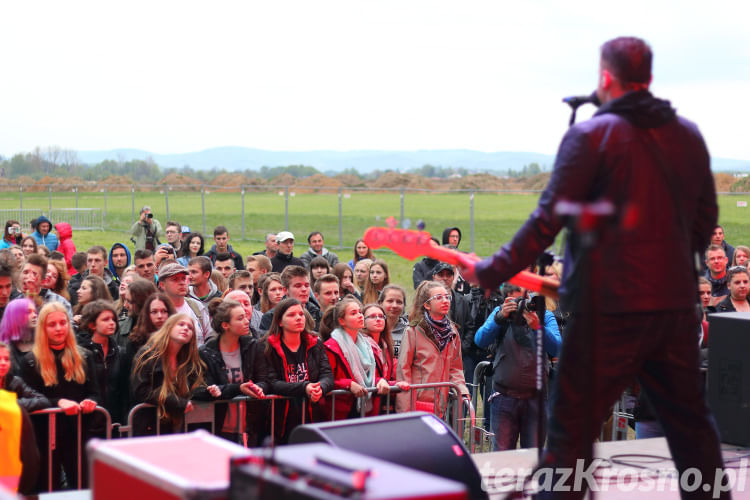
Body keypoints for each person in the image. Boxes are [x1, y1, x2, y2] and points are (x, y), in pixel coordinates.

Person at [457, 36, 726, 498]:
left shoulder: (590, 135)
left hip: (609, 311)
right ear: (650, 78)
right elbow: (703, 224)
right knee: (692, 430)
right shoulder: (688, 134)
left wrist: (490, 270)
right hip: (674, 308)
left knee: (571, 436)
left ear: (605, 77)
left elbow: (546, 221)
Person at [21, 302, 100, 491]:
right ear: (43, 328)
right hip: (45, 437)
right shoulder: (31, 361)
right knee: (48, 487)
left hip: (78, 434)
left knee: (82, 486)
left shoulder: (84, 356)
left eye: (63, 323)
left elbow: (96, 393)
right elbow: (29, 400)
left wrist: (91, 402)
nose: (58, 328)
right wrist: (58, 403)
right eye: (52, 324)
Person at [474, 285, 562, 451]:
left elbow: (557, 348)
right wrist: (499, 317)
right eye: (517, 296)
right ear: (507, 296)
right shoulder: (500, 313)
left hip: (536, 399)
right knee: (503, 456)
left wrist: (538, 327)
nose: (523, 300)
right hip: (504, 397)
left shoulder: (544, 316)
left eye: (526, 294)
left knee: (533, 455)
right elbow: (480, 340)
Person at [262, 298, 334, 442]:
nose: (298, 318)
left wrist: (320, 388)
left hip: (312, 415)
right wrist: (304, 387)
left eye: (301, 314)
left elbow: (327, 375)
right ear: (280, 322)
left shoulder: (315, 343)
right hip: (281, 420)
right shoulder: (267, 347)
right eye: (291, 315)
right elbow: (271, 382)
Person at [395, 281, 469, 415]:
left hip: (442, 402)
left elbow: (455, 367)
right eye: (439, 297)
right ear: (427, 305)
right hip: (417, 403)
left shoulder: (452, 331)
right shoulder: (413, 331)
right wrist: (405, 409)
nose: (445, 301)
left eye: (447, 297)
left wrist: (462, 391)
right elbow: (403, 370)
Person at [200, 299, 267, 444]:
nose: (246, 321)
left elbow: (264, 379)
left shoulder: (253, 346)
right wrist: (238, 388)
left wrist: (258, 388)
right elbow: (206, 388)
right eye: (240, 318)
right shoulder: (207, 352)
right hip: (219, 424)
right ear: (225, 325)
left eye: (245, 316)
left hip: (250, 422)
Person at [130, 313, 208, 435]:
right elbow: (141, 390)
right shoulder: (148, 355)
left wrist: (210, 391)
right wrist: (177, 403)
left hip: (178, 425)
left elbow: (195, 388)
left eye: (190, 327)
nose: (186, 328)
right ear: (169, 327)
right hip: (150, 424)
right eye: (181, 324)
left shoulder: (188, 360)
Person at [323, 297, 395, 420]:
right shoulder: (332, 346)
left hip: (365, 408)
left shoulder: (367, 345)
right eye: (353, 313)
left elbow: (370, 377)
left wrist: (381, 381)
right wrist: (348, 384)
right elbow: (325, 381)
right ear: (342, 321)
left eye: (360, 312)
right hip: (340, 411)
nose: (360, 316)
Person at [76, 300, 127, 424]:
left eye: (113, 319)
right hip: (86, 420)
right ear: (92, 325)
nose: (112, 323)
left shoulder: (120, 352)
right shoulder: (80, 353)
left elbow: (124, 390)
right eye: (105, 320)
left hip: (115, 421)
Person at [157, 262, 213, 345]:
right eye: (175, 279)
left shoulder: (196, 306)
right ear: (162, 285)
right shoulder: (157, 310)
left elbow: (210, 336)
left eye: (183, 278)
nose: (182, 283)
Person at [259, 266, 321, 333]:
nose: (304, 289)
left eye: (307, 285)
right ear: (285, 290)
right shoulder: (271, 317)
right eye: (298, 286)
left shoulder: (318, 313)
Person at [0, 298, 38, 377]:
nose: (34, 315)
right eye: (28, 312)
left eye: (35, 312)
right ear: (15, 316)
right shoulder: (3, 350)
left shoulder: (42, 343)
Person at [377, 284, 408, 358]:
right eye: (390, 301)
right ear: (380, 303)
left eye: (399, 302)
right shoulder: (372, 328)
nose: (394, 305)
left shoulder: (410, 331)